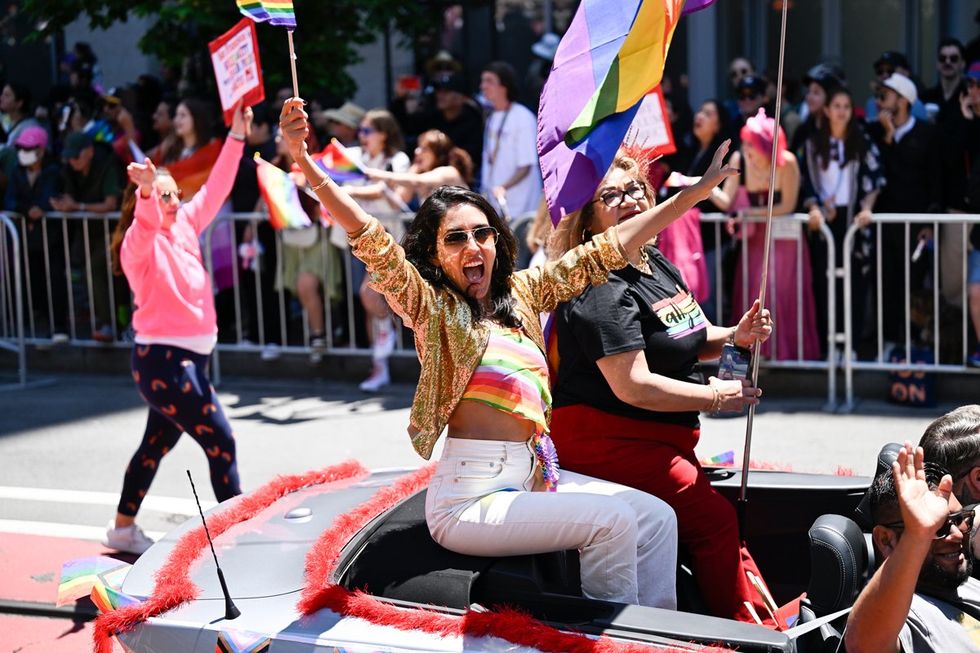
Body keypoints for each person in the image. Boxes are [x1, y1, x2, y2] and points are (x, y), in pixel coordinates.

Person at [280, 96, 738, 608]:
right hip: (469, 499)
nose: (474, 246)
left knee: (656, 517)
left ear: (499, 241)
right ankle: (619, 643)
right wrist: (307, 166)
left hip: (533, 475)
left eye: (483, 233)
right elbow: (370, 237)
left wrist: (693, 195)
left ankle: (661, 639)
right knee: (614, 521)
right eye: (455, 238)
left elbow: (604, 248)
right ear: (434, 254)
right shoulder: (434, 312)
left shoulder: (523, 292)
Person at [547, 149, 774, 623]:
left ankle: (761, 618)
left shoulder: (652, 260)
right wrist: (716, 395)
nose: (628, 200)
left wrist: (735, 335)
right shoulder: (598, 283)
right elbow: (633, 385)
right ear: (588, 222)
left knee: (716, 522)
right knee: (714, 522)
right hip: (609, 442)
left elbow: (688, 339)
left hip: (661, 438)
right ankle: (747, 632)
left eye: (635, 189)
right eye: (611, 195)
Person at [102, 101, 252, 554]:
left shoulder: (185, 224)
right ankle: (240, 536)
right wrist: (148, 194)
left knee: (154, 445)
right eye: (163, 196)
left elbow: (217, 186)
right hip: (164, 362)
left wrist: (237, 136)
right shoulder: (137, 246)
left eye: (174, 194)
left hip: (188, 362)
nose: (174, 201)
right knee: (221, 441)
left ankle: (122, 528)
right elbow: (145, 225)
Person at [844, 442, 980, 653]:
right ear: (886, 540)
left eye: (959, 519)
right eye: (938, 527)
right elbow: (863, 645)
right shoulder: (905, 618)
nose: (955, 534)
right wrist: (919, 533)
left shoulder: (962, 584)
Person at [716, 109, 820, 361]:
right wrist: (700, 185)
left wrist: (750, 212)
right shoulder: (741, 160)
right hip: (755, 239)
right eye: (746, 142)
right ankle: (752, 353)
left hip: (784, 239)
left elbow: (787, 206)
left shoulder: (788, 161)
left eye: (752, 143)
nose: (747, 148)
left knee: (783, 292)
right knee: (753, 292)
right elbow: (726, 200)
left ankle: (787, 355)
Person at [800, 87, 885, 358]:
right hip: (824, 222)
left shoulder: (862, 141)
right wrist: (814, 207)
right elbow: (806, 182)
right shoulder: (813, 144)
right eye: (836, 105)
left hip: (853, 220)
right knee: (825, 285)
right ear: (827, 110)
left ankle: (852, 346)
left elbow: (875, 178)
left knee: (855, 284)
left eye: (846, 106)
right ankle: (829, 346)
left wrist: (867, 207)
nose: (841, 111)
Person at [867, 73, 942, 348]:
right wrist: (887, 137)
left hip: (915, 225)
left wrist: (930, 223)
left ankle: (910, 342)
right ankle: (886, 341)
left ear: (903, 100)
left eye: (884, 96)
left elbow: (936, 182)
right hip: (884, 224)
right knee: (885, 284)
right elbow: (877, 176)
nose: (878, 102)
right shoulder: (875, 132)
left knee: (912, 284)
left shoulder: (927, 134)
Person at [342, 109, 412, 391]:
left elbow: (400, 200)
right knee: (371, 304)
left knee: (370, 295)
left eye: (368, 131)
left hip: (392, 241)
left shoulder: (398, 161)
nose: (362, 136)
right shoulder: (357, 158)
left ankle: (387, 336)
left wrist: (353, 190)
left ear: (384, 133)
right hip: (363, 239)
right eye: (361, 130)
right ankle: (379, 367)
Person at [51, 131, 124, 343]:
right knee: (89, 271)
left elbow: (110, 204)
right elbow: (69, 196)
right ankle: (110, 322)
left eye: (76, 156)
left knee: (99, 269)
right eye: (69, 157)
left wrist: (78, 207)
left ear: (89, 152)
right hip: (88, 232)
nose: (72, 161)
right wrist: (62, 204)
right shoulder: (69, 170)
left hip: (115, 231)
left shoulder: (108, 166)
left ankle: (110, 324)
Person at [4, 125, 68, 342]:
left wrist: (40, 209)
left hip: (51, 237)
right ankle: (35, 322)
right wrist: (27, 211)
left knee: (56, 279)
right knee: (33, 278)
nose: (23, 152)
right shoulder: (16, 171)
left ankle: (60, 327)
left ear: (41, 150)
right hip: (27, 238)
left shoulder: (54, 171)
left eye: (28, 148)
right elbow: (9, 199)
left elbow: (50, 199)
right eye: (21, 148)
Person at [479, 61, 542, 219]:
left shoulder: (523, 117)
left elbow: (526, 165)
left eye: (489, 81)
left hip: (520, 200)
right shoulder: (491, 117)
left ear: (504, 86)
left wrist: (503, 187)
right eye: (482, 81)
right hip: (496, 200)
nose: (483, 86)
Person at [365, 128, 473, 200]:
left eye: (424, 149)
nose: (417, 151)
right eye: (418, 147)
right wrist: (412, 172)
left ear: (438, 154)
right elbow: (401, 198)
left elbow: (418, 182)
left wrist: (379, 174)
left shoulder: (448, 171)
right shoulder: (421, 174)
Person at [864, 51, 929, 123]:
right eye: (880, 71)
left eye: (890, 70)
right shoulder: (872, 103)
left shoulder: (915, 104)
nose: (885, 75)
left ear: (906, 73)